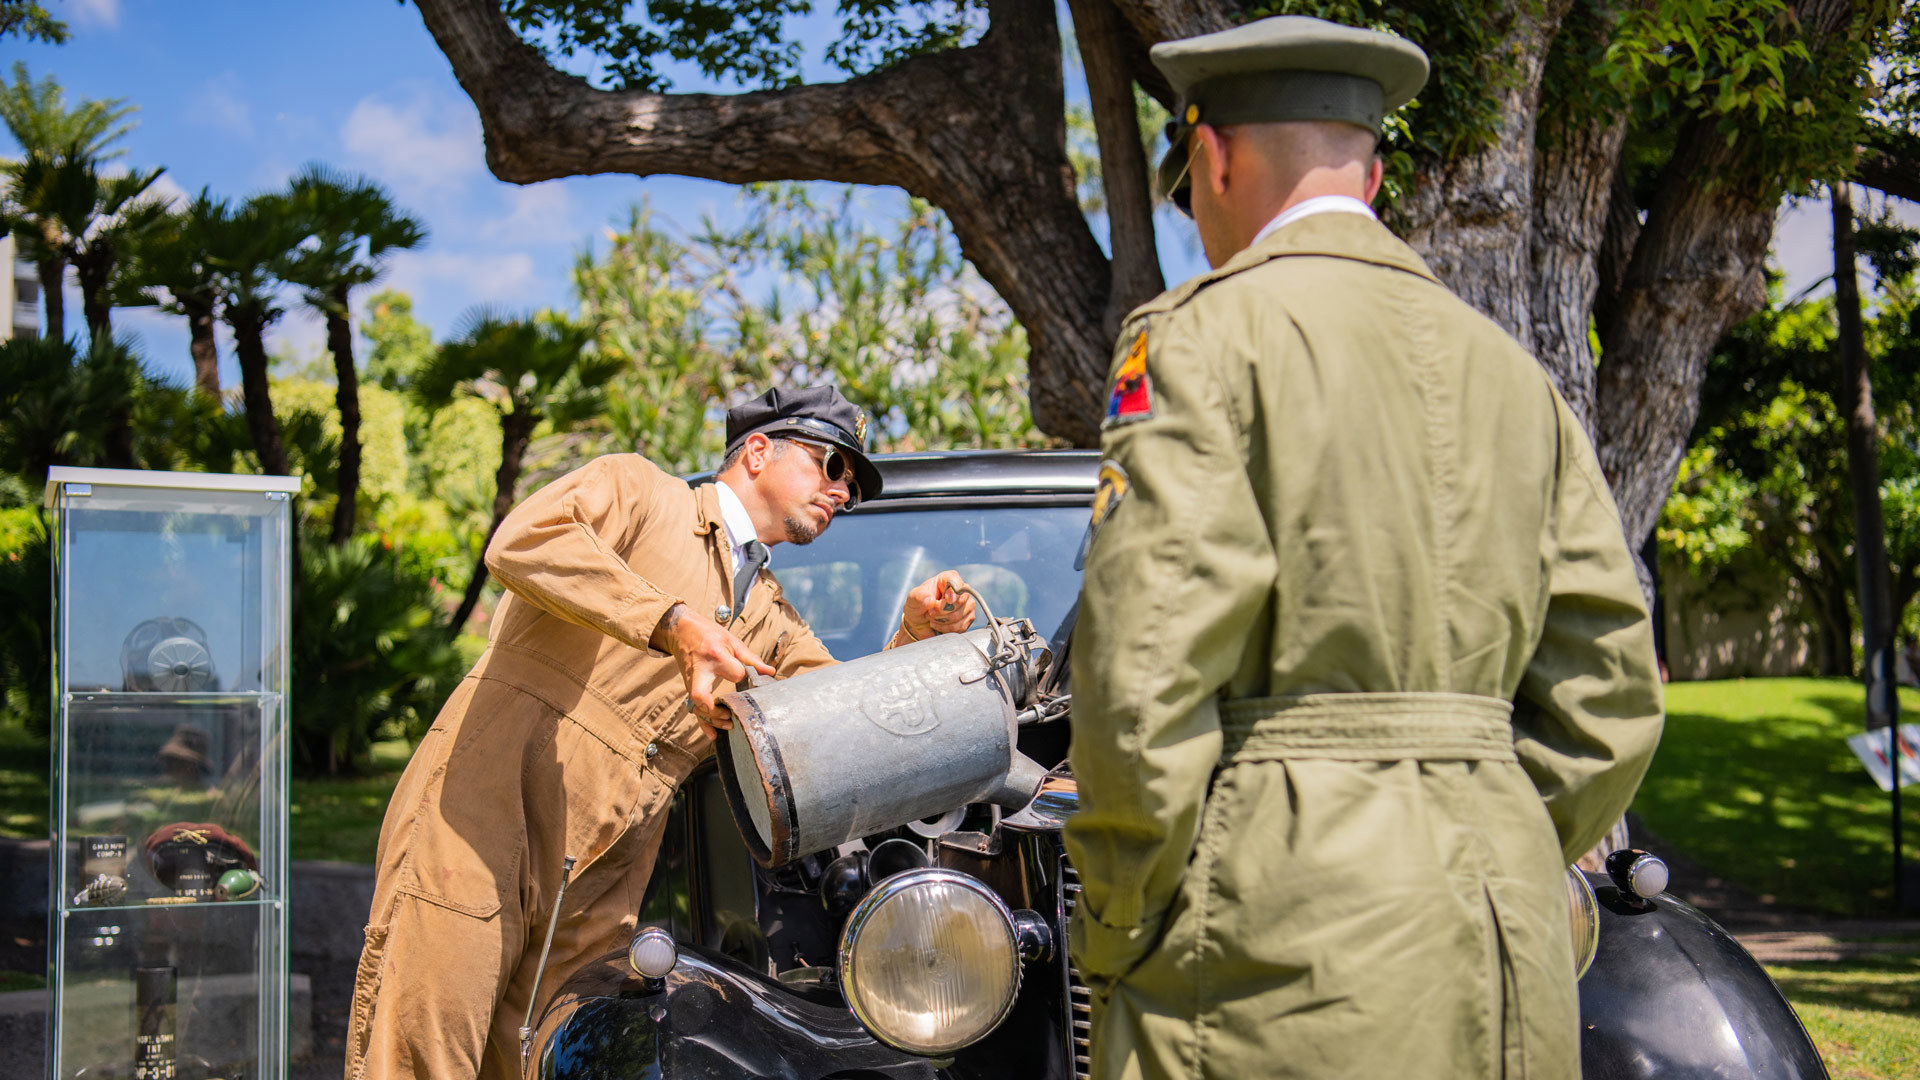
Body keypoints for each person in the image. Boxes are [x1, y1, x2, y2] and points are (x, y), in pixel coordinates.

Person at [1062, 16, 1665, 1079]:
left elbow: (1142, 672)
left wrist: (1116, 924)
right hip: (1502, 950)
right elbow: (1610, 699)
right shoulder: (1513, 374)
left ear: (1213, 155)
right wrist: (1491, 831)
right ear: (1374, 177)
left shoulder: (1200, 335)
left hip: (1274, 950)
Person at [345, 385, 979, 1080]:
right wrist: (674, 622)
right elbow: (522, 541)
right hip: (479, 819)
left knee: (545, 1061)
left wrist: (914, 637)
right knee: (422, 1048)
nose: (842, 491)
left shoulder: (771, 615)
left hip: (601, 878)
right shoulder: (642, 492)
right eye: (833, 465)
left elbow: (845, 721)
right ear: (760, 450)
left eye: (852, 487)